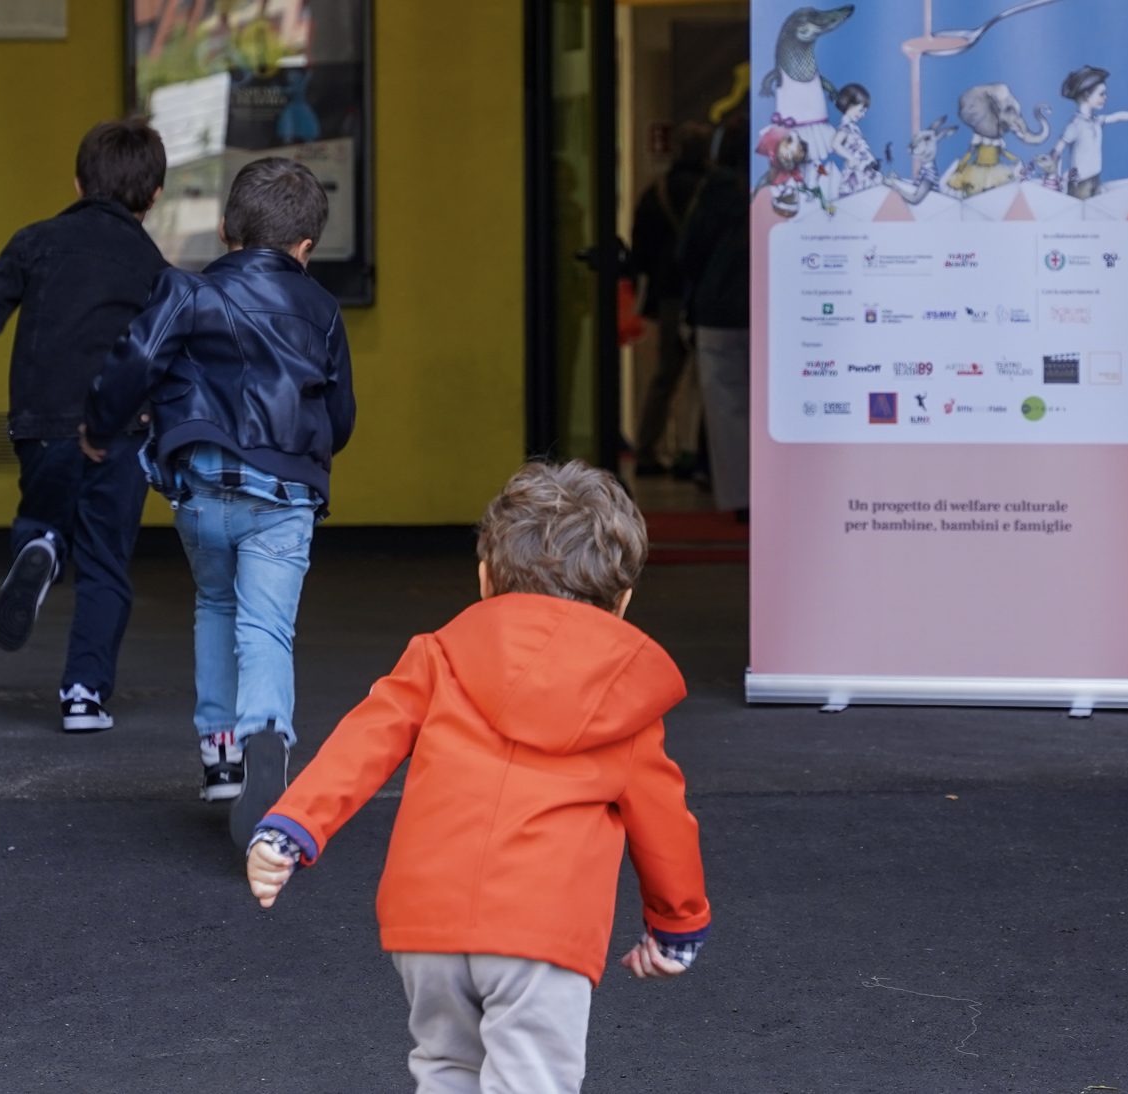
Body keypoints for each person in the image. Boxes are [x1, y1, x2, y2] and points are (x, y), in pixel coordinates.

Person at [243, 460, 710, 1094]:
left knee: (444, 1071)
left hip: (428, 919)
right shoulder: (623, 700)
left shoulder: (438, 657)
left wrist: (290, 829)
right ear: (622, 603)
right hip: (544, 928)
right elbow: (664, 824)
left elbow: (363, 742)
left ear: (486, 580)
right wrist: (676, 924)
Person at [85, 157, 354, 835]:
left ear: (226, 230)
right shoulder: (321, 310)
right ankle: (266, 729)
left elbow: (138, 359)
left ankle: (221, 755)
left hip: (204, 489)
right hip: (285, 492)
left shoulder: (190, 291)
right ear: (305, 249)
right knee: (266, 627)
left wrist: (99, 426)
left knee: (213, 600)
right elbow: (342, 416)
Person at [0, 120, 168, 733]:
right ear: (155, 196)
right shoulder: (153, 265)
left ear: (78, 182)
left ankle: (43, 545)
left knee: (47, 511)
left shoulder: (36, 242)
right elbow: (163, 351)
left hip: (41, 423)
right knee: (107, 563)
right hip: (121, 431)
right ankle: (84, 695)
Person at [679, 112, 754, 520]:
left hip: (717, 312)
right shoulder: (775, 187)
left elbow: (689, 252)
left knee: (726, 408)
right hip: (766, 311)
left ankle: (742, 497)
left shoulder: (713, 192)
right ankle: (775, 490)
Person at [627, 122, 713, 478]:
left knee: (666, 375)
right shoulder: (712, 192)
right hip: (706, 294)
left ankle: (647, 449)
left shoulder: (657, 191)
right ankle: (697, 455)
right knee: (709, 377)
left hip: (668, 295)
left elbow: (640, 247)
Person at [1046, 65, 1128, 200]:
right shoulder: (1075, 126)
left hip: (1095, 180)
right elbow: (1055, 152)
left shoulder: (1096, 121)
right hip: (1080, 185)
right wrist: (1055, 177)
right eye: (1101, 94)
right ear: (1087, 95)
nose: (1105, 97)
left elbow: (1119, 116)